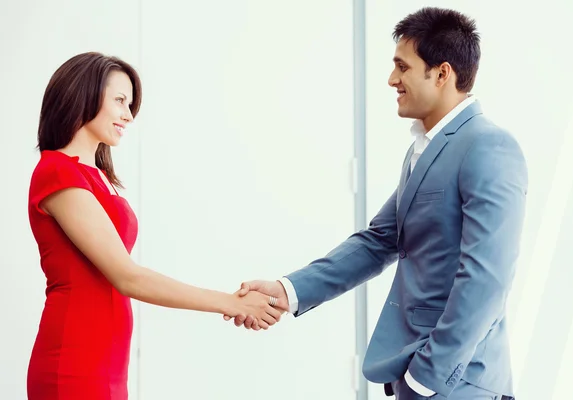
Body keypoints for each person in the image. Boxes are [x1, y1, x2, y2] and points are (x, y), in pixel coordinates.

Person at [227, 7, 526, 400]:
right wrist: (287, 290)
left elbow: (487, 279)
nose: (392, 80)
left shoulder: (488, 146)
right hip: (418, 380)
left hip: (460, 383)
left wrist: (428, 377)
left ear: (442, 73)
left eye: (402, 67)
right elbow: (379, 241)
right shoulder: (423, 150)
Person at [26, 52, 282, 400]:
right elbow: (127, 276)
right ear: (83, 93)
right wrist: (231, 302)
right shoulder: (58, 172)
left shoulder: (97, 177)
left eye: (130, 104)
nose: (128, 115)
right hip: (74, 361)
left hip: (107, 361)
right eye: (119, 101)